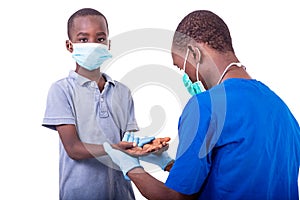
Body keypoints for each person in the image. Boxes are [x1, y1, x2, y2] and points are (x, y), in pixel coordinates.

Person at [103, 10, 300, 199]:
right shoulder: (283, 111)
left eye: (181, 66)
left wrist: (129, 165)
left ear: (194, 52)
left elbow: (176, 198)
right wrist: (167, 162)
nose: (186, 77)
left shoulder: (205, 106)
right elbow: (236, 174)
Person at [41, 8, 161, 200]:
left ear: (108, 44)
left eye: (100, 38)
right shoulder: (62, 91)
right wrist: (112, 148)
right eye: (83, 39)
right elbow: (73, 149)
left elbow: (127, 146)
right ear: (69, 45)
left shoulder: (122, 92)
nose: (93, 45)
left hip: (122, 194)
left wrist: (150, 150)